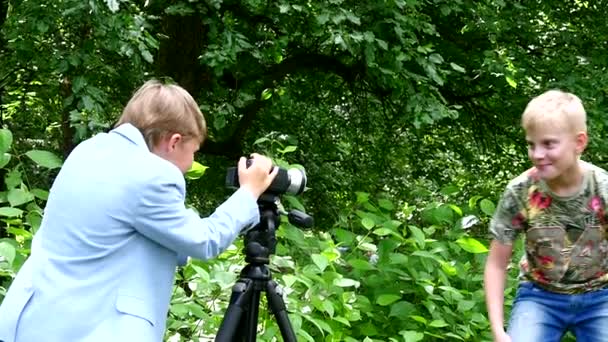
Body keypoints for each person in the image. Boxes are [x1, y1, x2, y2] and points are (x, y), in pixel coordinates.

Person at [0, 80, 278, 342]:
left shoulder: (88, 150)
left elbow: (126, 234)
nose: (191, 163)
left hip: (29, 322)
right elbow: (205, 241)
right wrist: (248, 193)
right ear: (174, 141)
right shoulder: (152, 176)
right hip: (86, 331)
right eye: (193, 152)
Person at [484, 89, 608, 342]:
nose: (537, 154)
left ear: (579, 142)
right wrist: (498, 331)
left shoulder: (603, 188)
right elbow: (496, 264)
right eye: (531, 144)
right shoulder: (520, 190)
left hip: (601, 296)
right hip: (539, 296)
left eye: (549, 143)